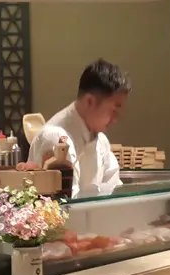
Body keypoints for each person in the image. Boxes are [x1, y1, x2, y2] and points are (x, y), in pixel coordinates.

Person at [24, 59, 131, 197]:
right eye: (113, 110)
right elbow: (66, 203)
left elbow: (114, 189)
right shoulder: (56, 138)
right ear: (89, 101)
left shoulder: (101, 139)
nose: (115, 119)